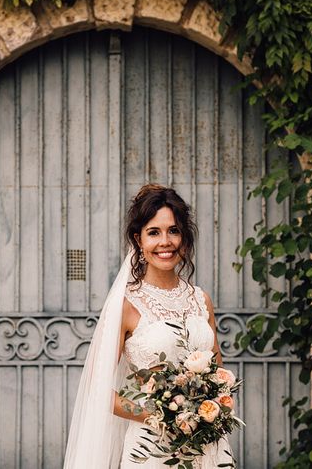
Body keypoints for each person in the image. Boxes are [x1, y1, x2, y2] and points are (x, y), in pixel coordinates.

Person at [64, 184, 234, 469]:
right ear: (138, 240)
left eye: (174, 231)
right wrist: (163, 415)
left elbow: (219, 372)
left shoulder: (201, 299)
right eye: (154, 232)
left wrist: (215, 408)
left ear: (185, 238)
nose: (165, 241)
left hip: (208, 444)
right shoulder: (126, 306)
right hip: (152, 448)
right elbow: (98, 390)